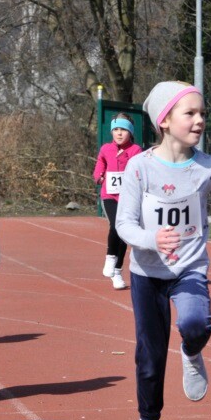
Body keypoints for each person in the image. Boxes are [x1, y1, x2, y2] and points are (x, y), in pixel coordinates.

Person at [115, 81, 211, 420]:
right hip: (147, 274)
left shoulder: (209, 168)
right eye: (190, 113)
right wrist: (151, 239)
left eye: (202, 113)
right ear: (164, 120)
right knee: (151, 355)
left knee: (195, 324)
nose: (199, 120)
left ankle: (191, 351)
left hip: (189, 268)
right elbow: (124, 224)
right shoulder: (140, 168)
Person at [94, 113, 142, 290]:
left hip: (128, 197)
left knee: (124, 232)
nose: (119, 133)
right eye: (116, 129)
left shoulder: (136, 150)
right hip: (110, 195)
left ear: (130, 132)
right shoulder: (106, 149)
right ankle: (110, 258)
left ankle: (117, 271)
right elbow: (101, 163)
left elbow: (139, 169)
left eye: (123, 130)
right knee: (115, 226)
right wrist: (98, 176)